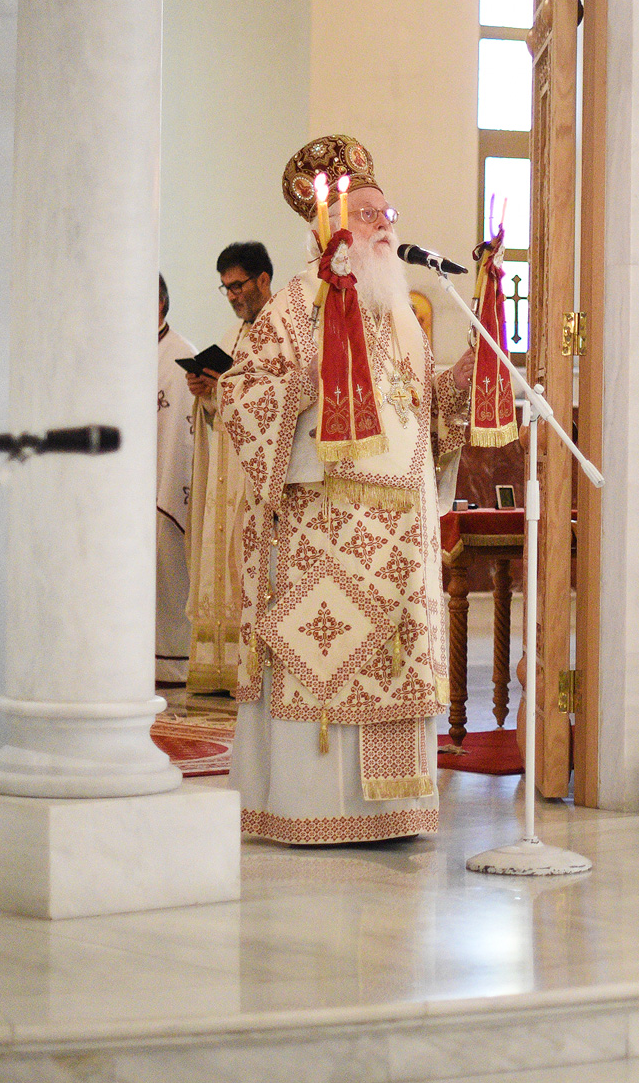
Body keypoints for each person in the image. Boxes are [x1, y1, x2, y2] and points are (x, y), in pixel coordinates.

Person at [221, 136, 474, 844]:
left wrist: (463, 382)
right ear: (327, 229)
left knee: (392, 664)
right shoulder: (298, 304)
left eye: (386, 210)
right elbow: (244, 396)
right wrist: (301, 385)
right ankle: (308, 808)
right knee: (322, 662)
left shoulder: (404, 317)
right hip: (320, 540)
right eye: (365, 213)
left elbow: (422, 425)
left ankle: (394, 813)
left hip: (399, 544)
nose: (384, 224)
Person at [183, 241, 274, 695]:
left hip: (257, 475)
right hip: (228, 465)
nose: (234, 295)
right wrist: (206, 393)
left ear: (263, 280)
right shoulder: (235, 334)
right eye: (226, 288)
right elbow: (225, 408)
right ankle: (217, 663)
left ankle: (248, 666)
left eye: (238, 285)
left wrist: (227, 392)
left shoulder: (280, 333)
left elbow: (273, 404)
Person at [156, 274, 197, 687]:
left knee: (165, 566)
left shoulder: (179, 355)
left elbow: (180, 435)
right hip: (122, 494)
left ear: (161, 303)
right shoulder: (124, 356)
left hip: (163, 492)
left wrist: (164, 492)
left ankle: (168, 665)